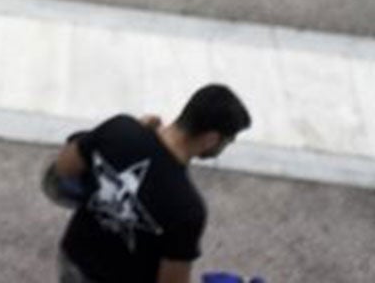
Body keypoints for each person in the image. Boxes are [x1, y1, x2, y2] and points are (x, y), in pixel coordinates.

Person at [43, 84, 250, 283]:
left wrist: (113, 140)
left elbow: (61, 172)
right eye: (228, 141)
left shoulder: (119, 128)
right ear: (212, 139)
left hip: (74, 257)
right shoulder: (187, 208)